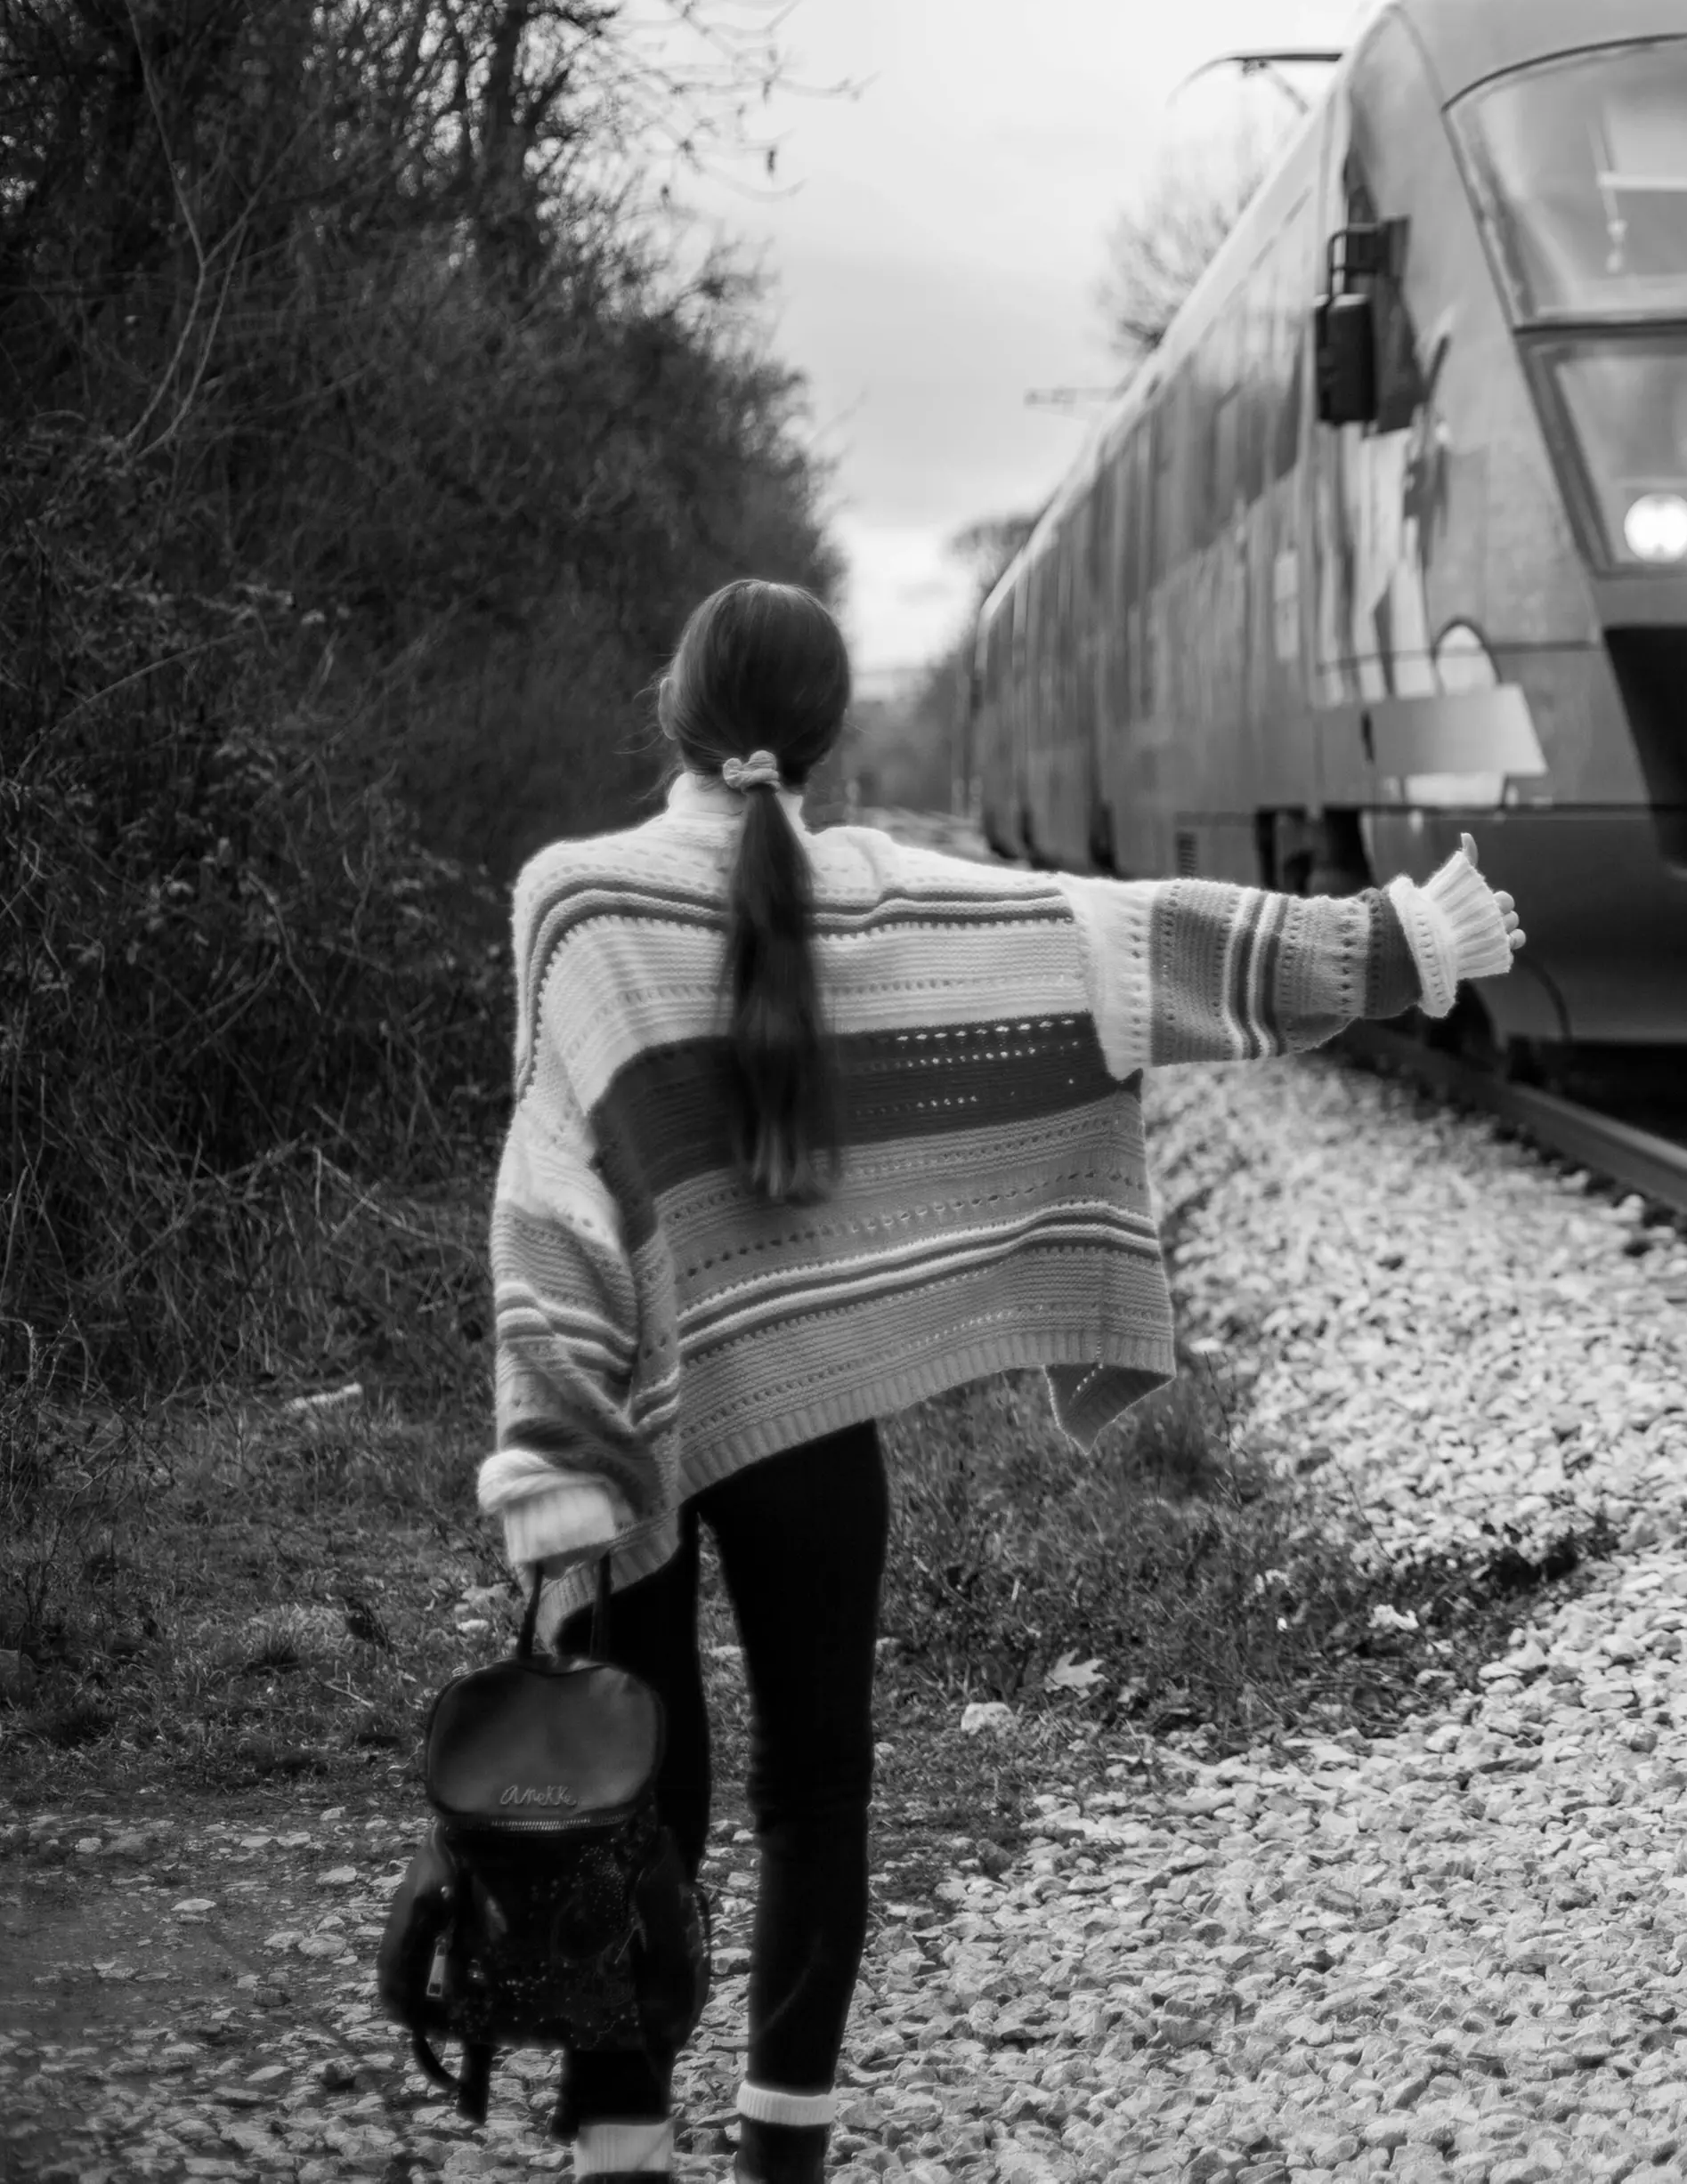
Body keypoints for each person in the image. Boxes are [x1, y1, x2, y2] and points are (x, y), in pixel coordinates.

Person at [473, 579, 1521, 2182]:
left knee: (636, 1785)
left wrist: (549, 1472)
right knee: (817, 1790)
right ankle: (784, 2148)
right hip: (819, 1432)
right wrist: (1396, 945)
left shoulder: (579, 905)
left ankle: (621, 2149)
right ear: (827, 735)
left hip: (633, 1432)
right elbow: (1140, 944)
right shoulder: (911, 906)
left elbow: (550, 1207)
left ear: (674, 707)